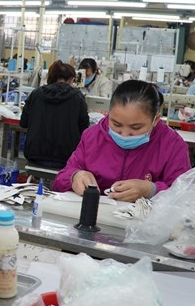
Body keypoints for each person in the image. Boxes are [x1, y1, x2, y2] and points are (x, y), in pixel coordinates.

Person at [53, 80, 191, 202]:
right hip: (95, 217)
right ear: (108, 114)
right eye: (116, 124)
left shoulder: (172, 145)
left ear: (155, 120)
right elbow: (60, 179)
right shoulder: (93, 136)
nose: (124, 134)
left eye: (135, 127)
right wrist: (75, 177)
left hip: (143, 225)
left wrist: (152, 190)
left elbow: (184, 196)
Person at [20, 60, 89, 169]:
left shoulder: (36, 94)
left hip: (35, 156)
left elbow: (23, 123)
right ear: (71, 79)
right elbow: (85, 129)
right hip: (66, 158)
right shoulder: (77, 97)